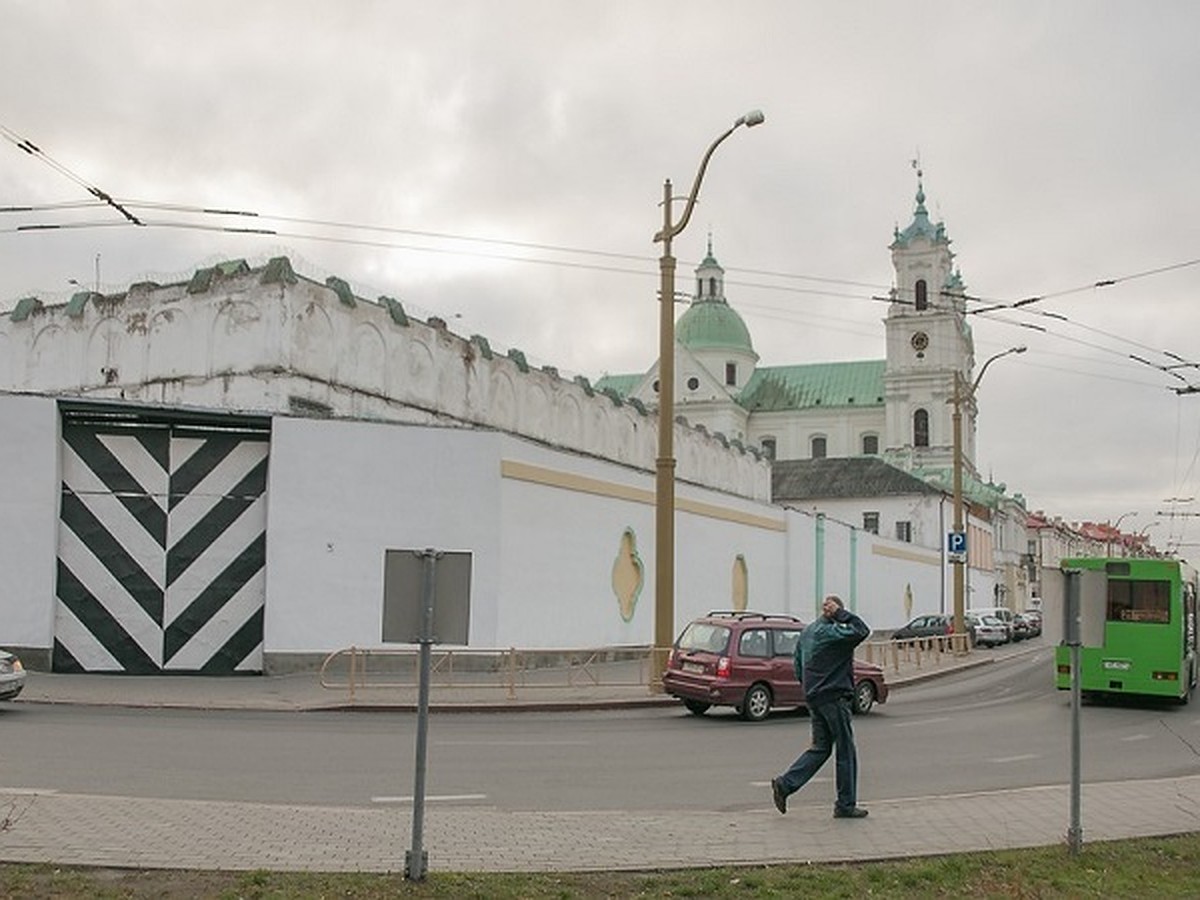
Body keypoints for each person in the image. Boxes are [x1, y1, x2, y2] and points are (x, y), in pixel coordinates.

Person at [771, 595, 871, 819]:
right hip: (834, 697)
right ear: (836, 615)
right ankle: (845, 805)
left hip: (814, 697)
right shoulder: (834, 633)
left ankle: (785, 784)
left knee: (820, 748)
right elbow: (862, 629)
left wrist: (811, 688)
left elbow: (798, 666)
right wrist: (840, 614)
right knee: (846, 750)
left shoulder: (807, 632)